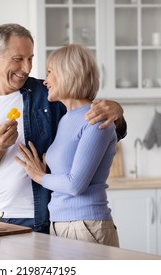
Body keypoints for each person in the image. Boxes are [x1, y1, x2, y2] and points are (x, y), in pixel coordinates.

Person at [0, 23, 127, 234]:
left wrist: (117, 112)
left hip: (42, 220)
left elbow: (96, 125)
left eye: (30, 59)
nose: (27, 69)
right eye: (18, 59)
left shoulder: (48, 96)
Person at [15, 44, 119, 247]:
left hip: (86, 225)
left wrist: (39, 176)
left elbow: (74, 184)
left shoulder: (96, 119)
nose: (45, 81)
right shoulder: (66, 119)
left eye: (50, 72)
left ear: (67, 73)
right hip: (61, 224)